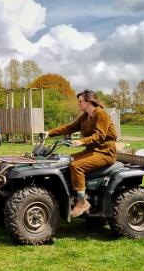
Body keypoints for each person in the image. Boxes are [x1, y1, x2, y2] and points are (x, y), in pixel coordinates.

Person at [44, 89, 117, 218]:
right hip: (92, 151)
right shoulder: (84, 116)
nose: (79, 104)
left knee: (77, 166)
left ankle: (82, 202)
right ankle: (69, 195)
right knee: (66, 160)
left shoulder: (101, 114)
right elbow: (69, 127)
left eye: (80, 101)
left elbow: (99, 136)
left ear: (89, 101)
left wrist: (82, 141)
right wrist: (49, 133)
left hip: (105, 152)